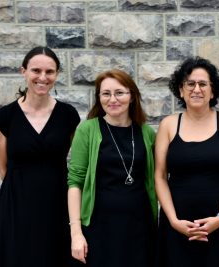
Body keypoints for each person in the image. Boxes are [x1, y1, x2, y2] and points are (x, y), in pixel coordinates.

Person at [0, 46, 80, 267]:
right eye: (36, 70)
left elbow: (77, 162)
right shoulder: (5, 117)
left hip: (57, 204)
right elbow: (3, 169)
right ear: (24, 71)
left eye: (49, 72)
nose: (43, 77)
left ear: (57, 74)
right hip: (17, 205)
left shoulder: (68, 116)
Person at [155, 57, 219, 267]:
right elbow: (159, 176)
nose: (196, 89)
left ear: (213, 91)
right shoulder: (168, 125)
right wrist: (173, 220)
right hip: (179, 224)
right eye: (190, 84)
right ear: (181, 90)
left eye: (203, 84)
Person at [67, 69, 158, 267]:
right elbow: (75, 182)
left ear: (132, 96)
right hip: (99, 228)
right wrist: (76, 233)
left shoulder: (146, 132)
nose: (112, 99)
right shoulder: (88, 129)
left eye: (119, 93)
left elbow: (156, 178)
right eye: (106, 93)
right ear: (99, 97)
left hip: (140, 227)